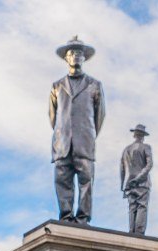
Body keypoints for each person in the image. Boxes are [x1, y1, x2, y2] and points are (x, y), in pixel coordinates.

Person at [50, 36, 106, 225]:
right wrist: (62, 133)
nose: (75, 56)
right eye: (72, 53)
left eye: (79, 53)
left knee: (86, 180)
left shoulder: (94, 85)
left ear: (84, 58)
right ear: (66, 58)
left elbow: (100, 116)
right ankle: (66, 216)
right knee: (62, 179)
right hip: (62, 142)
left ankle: (83, 217)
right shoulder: (57, 86)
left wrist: (88, 133)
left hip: (85, 141)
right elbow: (53, 116)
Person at [120, 124, 153, 234]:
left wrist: (123, 186)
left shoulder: (126, 150)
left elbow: (122, 170)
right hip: (142, 183)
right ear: (143, 136)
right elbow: (149, 165)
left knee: (132, 207)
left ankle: (131, 231)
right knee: (142, 206)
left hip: (129, 184)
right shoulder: (146, 147)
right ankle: (139, 233)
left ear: (134, 135)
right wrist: (139, 178)